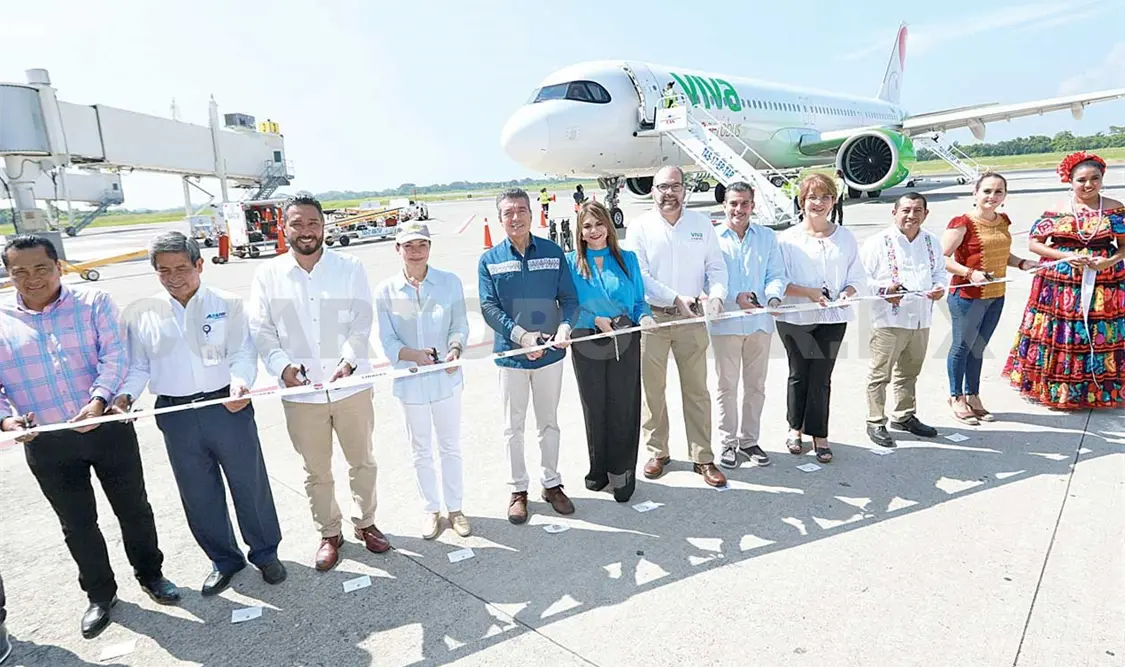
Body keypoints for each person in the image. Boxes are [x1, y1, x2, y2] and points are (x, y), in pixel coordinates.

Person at [0, 235, 180, 639]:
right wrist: (8, 423)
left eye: (41, 268)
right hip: (47, 441)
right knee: (77, 524)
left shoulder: (94, 302)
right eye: (19, 272)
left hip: (107, 428)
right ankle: (101, 595)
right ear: (9, 275)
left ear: (59, 267)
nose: (32, 279)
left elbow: (115, 356)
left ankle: (152, 575)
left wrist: (98, 402)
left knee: (133, 508)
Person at [115, 232, 285, 596]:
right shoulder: (144, 314)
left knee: (248, 483)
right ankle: (224, 560)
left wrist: (241, 383)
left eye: (181, 268)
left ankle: (265, 552)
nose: (174, 277)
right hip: (176, 413)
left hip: (226, 404)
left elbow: (242, 351)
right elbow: (139, 367)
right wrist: (125, 397)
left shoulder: (227, 302)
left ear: (199, 265)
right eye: (163, 271)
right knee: (198, 491)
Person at [249, 194, 389, 572]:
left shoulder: (349, 266)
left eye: (313, 223)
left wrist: (348, 361)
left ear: (324, 226)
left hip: (351, 387)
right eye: (296, 224)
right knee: (316, 470)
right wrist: (282, 368)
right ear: (284, 228)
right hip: (301, 396)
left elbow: (362, 320)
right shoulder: (268, 275)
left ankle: (366, 523)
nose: (306, 231)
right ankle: (330, 532)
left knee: (362, 461)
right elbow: (261, 331)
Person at [478, 187, 580, 524]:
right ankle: (518, 489)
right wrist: (522, 337)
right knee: (514, 427)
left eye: (521, 210)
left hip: (550, 354)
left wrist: (565, 327)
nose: (516, 217)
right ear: (500, 218)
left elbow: (569, 299)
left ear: (531, 213)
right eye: (508, 212)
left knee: (549, 423)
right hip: (512, 356)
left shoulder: (553, 252)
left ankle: (551, 483)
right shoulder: (489, 260)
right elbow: (488, 307)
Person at [626, 165, 729, 487]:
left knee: (697, 390)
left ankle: (703, 457)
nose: (668, 193)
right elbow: (639, 275)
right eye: (661, 187)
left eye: (674, 186)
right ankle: (658, 452)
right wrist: (674, 297)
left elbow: (716, 266)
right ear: (652, 191)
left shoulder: (701, 224)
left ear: (685, 190)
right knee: (652, 391)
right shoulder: (640, 226)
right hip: (653, 317)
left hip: (692, 319)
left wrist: (717, 295)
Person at [1004, 152, 1125, 409]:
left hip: (1105, 283)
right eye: (1081, 179)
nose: (1088, 184)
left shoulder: (1115, 208)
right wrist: (1065, 256)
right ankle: (1059, 390)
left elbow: (1123, 246)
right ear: (1070, 181)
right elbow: (1035, 243)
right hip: (1060, 283)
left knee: (1098, 333)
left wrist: (1108, 262)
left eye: (1095, 178)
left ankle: (1098, 390)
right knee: (1061, 334)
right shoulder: (1057, 210)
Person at [375, 222, 472, 539]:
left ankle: (455, 508)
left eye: (422, 245)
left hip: (445, 378)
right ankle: (431, 509)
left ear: (430, 248)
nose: (416, 252)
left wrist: (455, 349)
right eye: (409, 246)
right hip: (411, 381)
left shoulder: (448, 282)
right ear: (398, 249)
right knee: (420, 449)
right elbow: (386, 339)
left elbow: (459, 324)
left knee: (449, 446)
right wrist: (412, 354)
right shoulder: (386, 291)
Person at [566, 200, 655, 502]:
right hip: (587, 339)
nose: (594, 231)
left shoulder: (627, 259)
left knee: (623, 405)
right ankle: (599, 469)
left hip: (623, 336)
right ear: (579, 231)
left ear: (609, 225)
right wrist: (593, 320)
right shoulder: (571, 262)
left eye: (599, 223)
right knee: (595, 405)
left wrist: (644, 316)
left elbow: (640, 301)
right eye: (587, 226)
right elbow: (566, 305)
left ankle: (622, 472)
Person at [776, 174, 866, 464]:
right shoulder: (787, 238)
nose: (818, 202)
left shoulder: (845, 237)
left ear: (834, 200)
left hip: (833, 317)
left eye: (825, 196)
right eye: (812, 197)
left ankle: (819, 434)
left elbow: (857, 276)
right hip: (795, 316)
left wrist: (847, 292)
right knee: (799, 373)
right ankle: (795, 428)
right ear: (802, 202)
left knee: (821, 376)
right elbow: (778, 281)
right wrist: (809, 293)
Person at [942, 173, 1037, 424]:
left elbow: (1003, 255)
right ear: (975, 193)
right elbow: (941, 258)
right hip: (967, 296)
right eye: (986, 191)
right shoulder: (962, 222)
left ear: (1005, 196)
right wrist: (969, 273)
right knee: (962, 347)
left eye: (998, 192)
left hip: (996, 295)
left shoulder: (1002, 221)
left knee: (978, 347)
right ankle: (956, 396)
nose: (992, 197)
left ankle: (973, 396)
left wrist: (1022, 263)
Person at [708, 181, 787, 469]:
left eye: (744, 203)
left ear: (752, 206)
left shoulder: (766, 237)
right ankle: (728, 443)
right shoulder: (712, 237)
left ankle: (749, 440)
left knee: (756, 386)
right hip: (726, 324)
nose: (738, 209)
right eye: (733, 203)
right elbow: (708, 280)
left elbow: (776, 274)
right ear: (724, 205)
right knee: (726, 386)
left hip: (759, 323)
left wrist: (774, 298)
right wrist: (732, 299)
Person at [860, 193, 945, 447]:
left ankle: (904, 415)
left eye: (918, 210)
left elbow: (940, 272)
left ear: (925, 214)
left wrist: (940, 288)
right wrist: (885, 290)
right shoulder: (878, 242)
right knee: (880, 373)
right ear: (894, 212)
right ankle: (875, 421)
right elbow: (861, 280)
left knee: (910, 371)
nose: (911, 215)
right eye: (906, 210)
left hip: (920, 318)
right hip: (888, 319)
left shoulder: (931, 241)